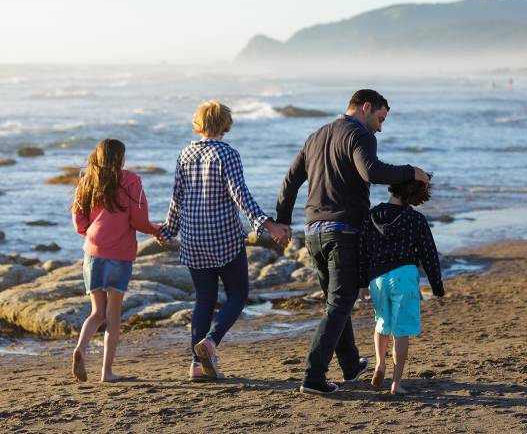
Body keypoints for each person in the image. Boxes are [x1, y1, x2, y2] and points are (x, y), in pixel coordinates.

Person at [276, 89, 431, 395]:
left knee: (338, 302)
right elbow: (371, 172)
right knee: (339, 304)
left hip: (313, 232)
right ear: (366, 107)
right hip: (342, 232)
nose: (380, 127)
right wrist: (412, 171)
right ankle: (313, 376)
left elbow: (290, 180)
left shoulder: (316, 135)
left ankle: (350, 365)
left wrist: (282, 219)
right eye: (380, 118)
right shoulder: (359, 134)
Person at [157, 100, 290, 382]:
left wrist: (169, 230)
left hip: (193, 236)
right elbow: (240, 194)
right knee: (238, 295)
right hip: (224, 236)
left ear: (199, 122)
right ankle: (211, 341)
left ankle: (195, 365)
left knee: (204, 298)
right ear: (225, 123)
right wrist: (268, 224)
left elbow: (176, 196)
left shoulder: (185, 153)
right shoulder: (227, 154)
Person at [71, 138, 161, 382]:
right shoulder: (131, 180)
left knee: (96, 312)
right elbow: (140, 221)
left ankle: (81, 347)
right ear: (120, 158)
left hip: (92, 254)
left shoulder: (87, 181)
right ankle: (107, 372)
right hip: (119, 256)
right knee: (113, 316)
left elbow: (78, 220)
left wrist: (91, 236)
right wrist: (157, 229)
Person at [358, 178, 445, 394]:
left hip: (377, 277)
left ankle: (379, 364)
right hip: (404, 275)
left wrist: (361, 282)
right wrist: (436, 285)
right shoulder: (416, 219)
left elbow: (362, 249)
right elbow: (429, 253)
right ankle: (396, 383)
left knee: (381, 323)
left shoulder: (372, 215)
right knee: (401, 331)